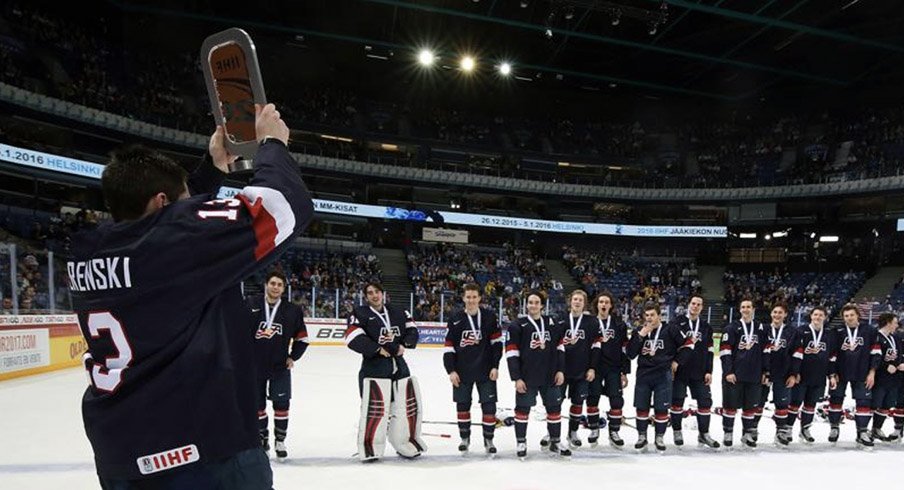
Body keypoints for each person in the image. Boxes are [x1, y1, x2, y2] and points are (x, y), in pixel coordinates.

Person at [70, 103, 313, 488]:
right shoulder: (173, 246)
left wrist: (211, 170)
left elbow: (166, 230)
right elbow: (284, 208)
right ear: (163, 203)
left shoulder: (86, 252)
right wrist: (273, 146)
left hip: (122, 454)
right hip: (199, 452)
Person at [345, 282, 425, 462]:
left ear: (383, 293)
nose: (374, 295)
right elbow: (352, 337)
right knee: (375, 409)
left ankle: (404, 443)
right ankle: (371, 446)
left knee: (403, 407)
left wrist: (404, 345)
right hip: (374, 367)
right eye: (370, 293)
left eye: (377, 292)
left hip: (399, 365)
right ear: (366, 296)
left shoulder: (398, 311)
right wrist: (377, 349)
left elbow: (412, 330)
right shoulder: (359, 313)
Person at [250, 271, 309, 459]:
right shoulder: (251, 304)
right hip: (253, 366)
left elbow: (303, 338)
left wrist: (294, 357)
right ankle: (262, 439)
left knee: (281, 404)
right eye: (273, 283)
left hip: (279, 366)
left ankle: (280, 440)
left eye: (279, 285)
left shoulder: (292, 310)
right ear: (266, 284)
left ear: (284, 288)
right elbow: (237, 333)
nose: (276, 287)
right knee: (256, 404)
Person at [506, 290, 568, 460]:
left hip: (550, 375)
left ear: (542, 305)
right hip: (527, 376)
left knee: (554, 409)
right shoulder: (517, 325)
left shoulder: (551, 323)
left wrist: (561, 370)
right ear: (527, 305)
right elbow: (511, 353)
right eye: (530, 302)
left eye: (536, 302)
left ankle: (555, 441)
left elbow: (560, 348)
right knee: (522, 410)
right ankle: (521, 441)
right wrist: (516, 377)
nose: (533, 305)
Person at [442, 283, 503, 456]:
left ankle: (489, 439)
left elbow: (497, 344)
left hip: (486, 371)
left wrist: (495, 366)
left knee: (489, 406)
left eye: (474, 297)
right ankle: (465, 439)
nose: (471, 300)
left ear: (479, 298)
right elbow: (448, 348)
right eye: (468, 297)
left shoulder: (490, 317)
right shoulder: (455, 318)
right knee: (463, 406)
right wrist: (451, 370)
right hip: (461, 371)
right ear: (463, 298)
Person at [626, 303, 694, 452]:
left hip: (663, 374)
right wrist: (641, 335)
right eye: (647, 315)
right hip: (643, 374)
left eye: (652, 315)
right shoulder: (640, 331)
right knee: (641, 407)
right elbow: (630, 354)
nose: (649, 318)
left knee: (661, 408)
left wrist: (677, 361)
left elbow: (689, 345)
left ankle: (659, 437)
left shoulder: (670, 329)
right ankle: (642, 437)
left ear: (659, 315)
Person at [669, 296, 719, 449]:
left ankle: (704, 434)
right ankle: (677, 431)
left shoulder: (706, 327)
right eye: (693, 303)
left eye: (698, 304)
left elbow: (710, 351)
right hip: (680, 370)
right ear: (688, 305)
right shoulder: (677, 323)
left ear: (702, 307)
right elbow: (670, 346)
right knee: (677, 401)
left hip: (699, 371)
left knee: (705, 401)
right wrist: (671, 364)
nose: (695, 306)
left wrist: (709, 370)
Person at [828, 303, 881, 447]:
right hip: (840, 372)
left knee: (864, 402)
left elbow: (876, 353)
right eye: (846, 316)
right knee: (835, 399)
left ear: (857, 315)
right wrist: (832, 373)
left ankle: (862, 431)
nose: (849, 318)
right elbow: (831, 354)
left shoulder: (869, 330)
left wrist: (872, 372)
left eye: (851, 315)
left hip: (862, 372)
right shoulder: (837, 331)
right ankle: (834, 427)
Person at [719, 299, 769, 448]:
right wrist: (728, 371)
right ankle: (728, 432)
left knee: (750, 407)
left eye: (748, 307)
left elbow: (766, 351)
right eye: (743, 307)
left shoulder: (761, 328)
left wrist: (766, 372)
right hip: (735, 375)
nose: (746, 309)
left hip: (754, 375)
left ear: (753, 309)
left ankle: (747, 433)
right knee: (730, 406)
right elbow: (725, 351)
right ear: (739, 310)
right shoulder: (731, 328)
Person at [555, 290, 600, 449]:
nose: (577, 302)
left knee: (578, 402)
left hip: (582, 369)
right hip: (561, 369)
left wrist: (592, 368)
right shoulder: (560, 319)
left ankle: (572, 432)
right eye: (575, 299)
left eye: (581, 300)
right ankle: (553, 434)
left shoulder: (592, 322)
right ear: (570, 301)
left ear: (584, 303)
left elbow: (596, 347)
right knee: (555, 403)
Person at [788, 306, 837, 444]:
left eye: (821, 315)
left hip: (819, 376)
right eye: (815, 315)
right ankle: (788, 428)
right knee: (795, 403)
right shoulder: (800, 331)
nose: (818, 317)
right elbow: (794, 353)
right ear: (811, 316)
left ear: (825, 317)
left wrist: (831, 375)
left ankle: (805, 429)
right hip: (801, 375)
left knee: (810, 405)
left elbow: (832, 356)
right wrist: (794, 372)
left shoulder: (828, 334)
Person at [589, 291, 630, 448]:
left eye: (606, 302)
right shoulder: (590, 323)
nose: (603, 305)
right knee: (593, 398)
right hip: (595, 368)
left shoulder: (619, 325)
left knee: (616, 400)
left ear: (611, 305)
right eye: (601, 302)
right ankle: (594, 428)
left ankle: (614, 431)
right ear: (597, 305)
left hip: (613, 368)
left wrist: (624, 372)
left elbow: (624, 350)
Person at [760, 302, 798, 447]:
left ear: (785, 315)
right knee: (759, 402)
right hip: (764, 372)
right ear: (771, 314)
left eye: (780, 312)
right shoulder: (763, 329)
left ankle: (781, 432)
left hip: (784, 373)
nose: (777, 315)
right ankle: (752, 431)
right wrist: (762, 370)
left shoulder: (791, 332)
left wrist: (794, 374)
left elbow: (796, 354)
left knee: (782, 403)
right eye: (775, 312)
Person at [870, 312, 902, 442]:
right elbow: (873, 357)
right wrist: (885, 366)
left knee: (887, 404)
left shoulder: (894, 338)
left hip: (893, 378)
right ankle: (865, 430)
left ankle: (877, 428)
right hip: (879, 377)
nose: (897, 325)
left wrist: (899, 364)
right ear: (888, 323)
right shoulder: (876, 337)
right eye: (895, 322)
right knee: (875, 404)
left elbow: (898, 355)